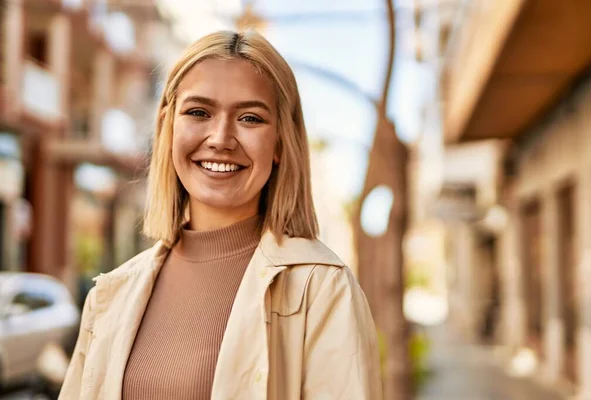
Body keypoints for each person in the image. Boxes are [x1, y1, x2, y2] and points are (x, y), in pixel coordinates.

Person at [59, 30, 382, 400]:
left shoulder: (323, 289)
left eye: (249, 118)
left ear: (280, 142)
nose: (221, 138)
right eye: (199, 112)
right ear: (167, 126)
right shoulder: (111, 294)